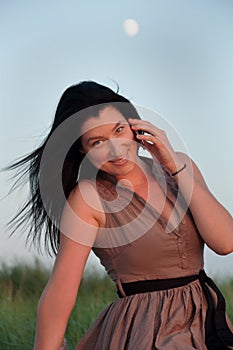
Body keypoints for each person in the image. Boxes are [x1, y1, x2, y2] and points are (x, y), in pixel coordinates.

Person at [7, 81, 233, 350]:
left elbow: (225, 242)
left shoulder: (180, 166)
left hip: (206, 318)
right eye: (98, 141)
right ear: (82, 149)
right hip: (146, 327)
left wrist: (173, 165)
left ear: (134, 125)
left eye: (119, 130)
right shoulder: (89, 199)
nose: (115, 150)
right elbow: (61, 291)